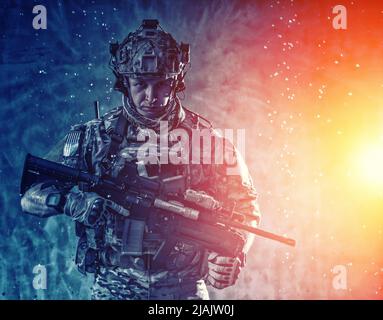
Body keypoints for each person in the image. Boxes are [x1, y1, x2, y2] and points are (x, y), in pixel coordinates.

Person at [20, 19, 260, 300]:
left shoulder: (209, 141)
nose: (151, 96)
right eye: (140, 84)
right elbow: (30, 197)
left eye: (162, 84)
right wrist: (69, 201)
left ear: (176, 82)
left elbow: (247, 208)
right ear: (124, 81)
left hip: (184, 290)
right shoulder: (94, 137)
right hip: (113, 286)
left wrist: (235, 254)